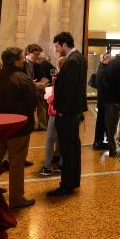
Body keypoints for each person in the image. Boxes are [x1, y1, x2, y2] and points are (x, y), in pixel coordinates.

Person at [0, 47, 38, 210]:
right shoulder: (24, 79)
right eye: (21, 58)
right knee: (16, 163)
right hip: (18, 130)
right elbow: (31, 104)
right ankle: (16, 198)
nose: (22, 61)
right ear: (15, 60)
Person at [47, 32, 87, 197]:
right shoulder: (80, 58)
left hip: (68, 113)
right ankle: (73, 181)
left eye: (57, 46)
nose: (57, 50)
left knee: (67, 149)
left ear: (64, 44)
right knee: (73, 147)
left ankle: (67, 184)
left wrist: (61, 110)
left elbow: (69, 89)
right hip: (74, 111)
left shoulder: (71, 61)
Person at [40, 56, 66, 176]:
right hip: (66, 113)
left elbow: (54, 99)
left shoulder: (60, 78)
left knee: (50, 139)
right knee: (62, 139)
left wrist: (48, 97)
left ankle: (47, 166)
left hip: (55, 112)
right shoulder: (69, 78)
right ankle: (61, 164)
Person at [24, 44, 51, 131]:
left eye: (38, 54)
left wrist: (43, 83)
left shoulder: (37, 65)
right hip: (24, 89)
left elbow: (43, 77)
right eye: (35, 54)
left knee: (42, 96)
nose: (37, 56)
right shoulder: (21, 63)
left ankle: (43, 125)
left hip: (35, 89)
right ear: (28, 52)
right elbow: (19, 78)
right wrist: (33, 83)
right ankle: (27, 124)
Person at [92, 52, 113, 150]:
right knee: (101, 122)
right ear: (104, 59)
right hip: (104, 101)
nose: (111, 60)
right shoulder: (103, 70)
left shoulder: (102, 68)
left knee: (102, 121)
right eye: (110, 59)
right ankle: (98, 142)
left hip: (102, 100)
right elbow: (107, 86)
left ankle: (100, 141)